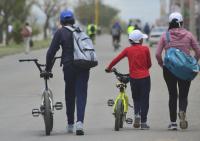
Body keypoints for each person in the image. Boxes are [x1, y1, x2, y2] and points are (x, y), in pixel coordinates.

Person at [45, 10, 90, 135]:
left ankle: (70, 124)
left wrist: (48, 69)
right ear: (73, 20)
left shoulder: (60, 32)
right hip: (84, 65)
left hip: (69, 66)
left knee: (70, 93)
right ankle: (80, 123)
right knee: (81, 93)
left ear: (61, 21)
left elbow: (51, 52)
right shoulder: (81, 31)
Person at [155, 12, 200, 130]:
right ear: (181, 23)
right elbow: (198, 51)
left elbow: (157, 54)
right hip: (185, 69)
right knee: (183, 96)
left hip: (169, 69)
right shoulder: (189, 35)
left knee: (172, 95)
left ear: (170, 23)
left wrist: (162, 64)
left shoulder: (165, 36)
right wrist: (193, 63)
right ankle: (182, 111)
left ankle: (173, 123)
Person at [105, 29, 152, 130]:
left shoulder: (128, 50)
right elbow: (149, 64)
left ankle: (136, 115)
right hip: (145, 78)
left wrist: (109, 68)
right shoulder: (146, 49)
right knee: (145, 99)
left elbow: (116, 59)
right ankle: (143, 123)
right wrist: (143, 69)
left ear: (131, 41)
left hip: (134, 78)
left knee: (136, 98)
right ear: (140, 40)